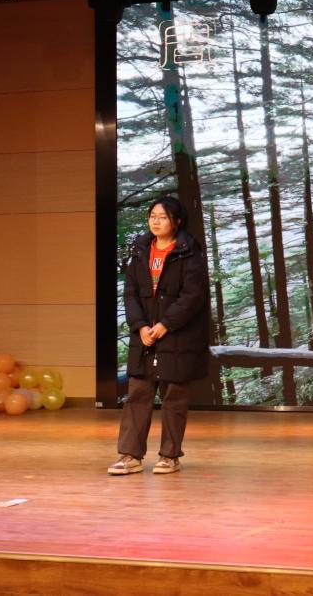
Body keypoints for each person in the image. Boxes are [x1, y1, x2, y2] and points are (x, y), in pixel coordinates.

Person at [108, 196, 209, 475]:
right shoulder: (140, 251)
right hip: (145, 336)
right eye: (152, 216)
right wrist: (140, 326)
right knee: (137, 395)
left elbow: (193, 296)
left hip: (177, 335)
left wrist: (166, 324)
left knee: (174, 397)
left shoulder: (189, 253)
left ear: (177, 221)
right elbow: (130, 294)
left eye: (163, 217)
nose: (156, 221)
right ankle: (130, 456)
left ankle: (170, 456)